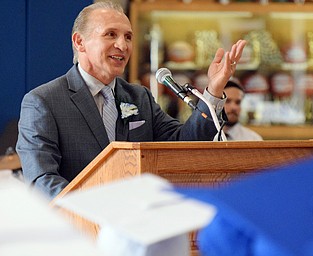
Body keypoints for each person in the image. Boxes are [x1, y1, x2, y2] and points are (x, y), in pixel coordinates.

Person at [16, 1, 246, 199]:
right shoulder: (43, 102)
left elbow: (184, 144)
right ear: (79, 42)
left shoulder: (140, 97)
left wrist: (213, 90)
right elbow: (42, 181)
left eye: (128, 37)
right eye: (110, 34)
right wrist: (95, 214)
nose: (122, 45)